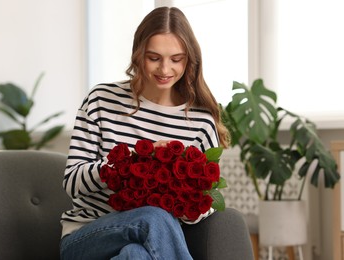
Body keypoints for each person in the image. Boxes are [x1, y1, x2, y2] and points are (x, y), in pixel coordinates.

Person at [60, 6, 230, 260]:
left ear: (190, 59)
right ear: (138, 54)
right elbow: (71, 183)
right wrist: (130, 161)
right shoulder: (101, 100)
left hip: (151, 245)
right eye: (154, 58)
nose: (164, 69)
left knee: (135, 255)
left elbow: (202, 209)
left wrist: (178, 188)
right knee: (152, 216)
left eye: (176, 59)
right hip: (87, 237)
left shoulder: (200, 122)